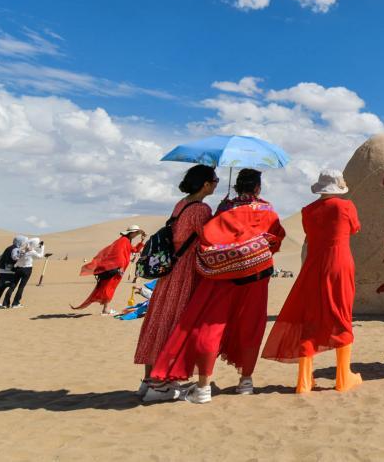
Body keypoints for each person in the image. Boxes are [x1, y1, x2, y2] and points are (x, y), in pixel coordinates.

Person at [147, 169, 286, 404]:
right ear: (258, 188)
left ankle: (203, 387)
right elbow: (276, 239)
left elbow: (208, 236)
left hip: (222, 277)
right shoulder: (268, 210)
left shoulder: (225, 208)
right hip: (257, 277)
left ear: (236, 186)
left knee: (210, 326)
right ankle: (246, 381)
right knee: (251, 325)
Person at [263, 170, 361, 393]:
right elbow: (354, 228)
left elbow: (312, 233)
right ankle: (343, 378)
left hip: (313, 265)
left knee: (310, 317)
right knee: (341, 315)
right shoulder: (346, 207)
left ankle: (304, 381)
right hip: (339, 264)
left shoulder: (307, 211)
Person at [132, 165, 217, 398]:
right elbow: (209, 237)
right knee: (175, 323)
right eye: (215, 180)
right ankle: (161, 384)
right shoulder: (201, 209)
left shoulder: (181, 204)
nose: (217, 183)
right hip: (186, 272)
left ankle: (149, 380)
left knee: (159, 319)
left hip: (169, 271)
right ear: (206, 184)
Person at [72, 226, 145, 314]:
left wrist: (142, 240)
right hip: (116, 269)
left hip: (116, 269)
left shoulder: (125, 241)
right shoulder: (124, 240)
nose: (135, 235)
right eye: (135, 233)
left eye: (137, 233)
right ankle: (106, 309)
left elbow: (135, 250)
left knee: (109, 287)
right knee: (109, 287)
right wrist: (120, 268)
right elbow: (117, 254)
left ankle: (105, 308)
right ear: (131, 233)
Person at [6, 238, 46, 309]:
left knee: (12, 286)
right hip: (27, 270)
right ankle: (15, 303)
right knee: (21, 287)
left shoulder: (22, 249)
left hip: (18, 269)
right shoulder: (32, 251)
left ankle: (5, 303)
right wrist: (42, 248)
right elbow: (40, 256)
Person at [0, 235, 27, 309]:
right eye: (23, 242)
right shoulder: (15, 249)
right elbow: (14, 257)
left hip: (2, 270)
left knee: (2, 287)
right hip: (7, 271)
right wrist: (23, 254)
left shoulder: (10, 247)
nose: (24, 244)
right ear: (20, 242)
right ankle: (6, 303)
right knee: (11, 286)